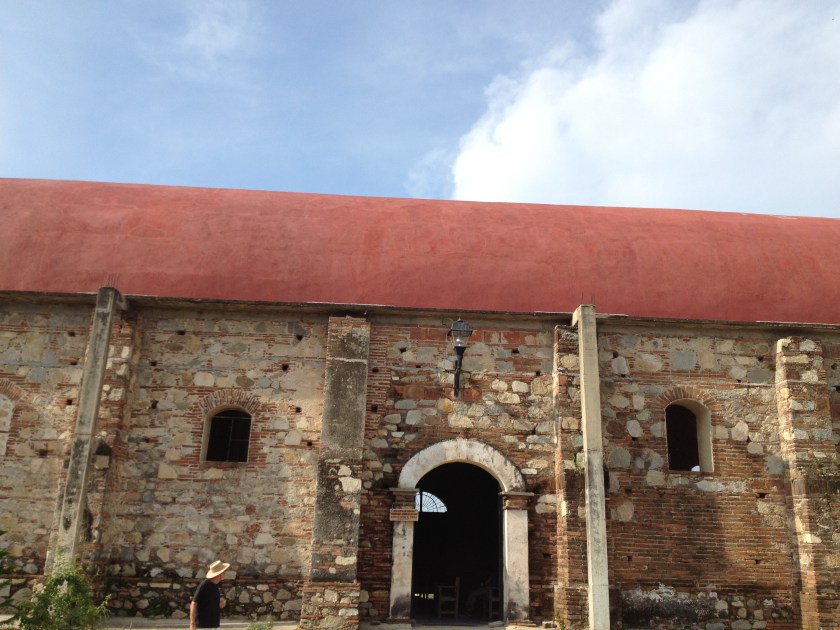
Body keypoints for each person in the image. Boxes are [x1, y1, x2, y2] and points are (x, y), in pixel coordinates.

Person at [190, 560, 231, 630]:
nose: (225, 573)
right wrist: (192, 624)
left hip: (215, 625)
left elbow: (213, 601)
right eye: (224, 572)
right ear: (219, 574)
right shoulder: (204, 585)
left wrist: (221, 603)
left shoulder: (218, 585)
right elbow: (193, 604)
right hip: (203, 626)